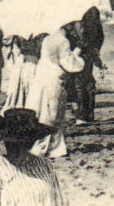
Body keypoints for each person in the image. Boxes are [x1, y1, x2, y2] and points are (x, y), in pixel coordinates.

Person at [31, 25, 85, 158]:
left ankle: (40, 145)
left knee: (43, 110)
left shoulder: (47, 39)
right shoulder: (63, 40)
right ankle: (53, 148)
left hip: (41, 75)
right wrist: (77, 55)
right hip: (54, 77)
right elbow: (68, 64)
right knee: (54, 112)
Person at [69, 7, 103, 125]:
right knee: (87, 82)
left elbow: (85, 34)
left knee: (79, 83)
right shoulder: (92, 10)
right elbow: (99, 35)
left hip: (80, 51)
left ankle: (82, 115)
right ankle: (88, 114)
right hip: (88, 50)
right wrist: (96, 51)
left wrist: (78, 46)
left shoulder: (78, 12)